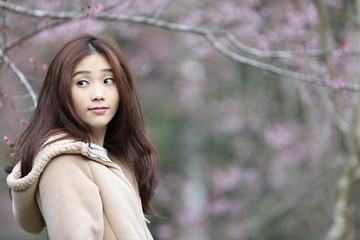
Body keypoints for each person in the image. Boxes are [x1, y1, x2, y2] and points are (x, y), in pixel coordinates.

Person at [5, 34, 158, 239]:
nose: (98, 94)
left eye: (108, 80)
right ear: (61, 92)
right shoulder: (65, 164)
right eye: (82, 82)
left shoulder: (113, 161)